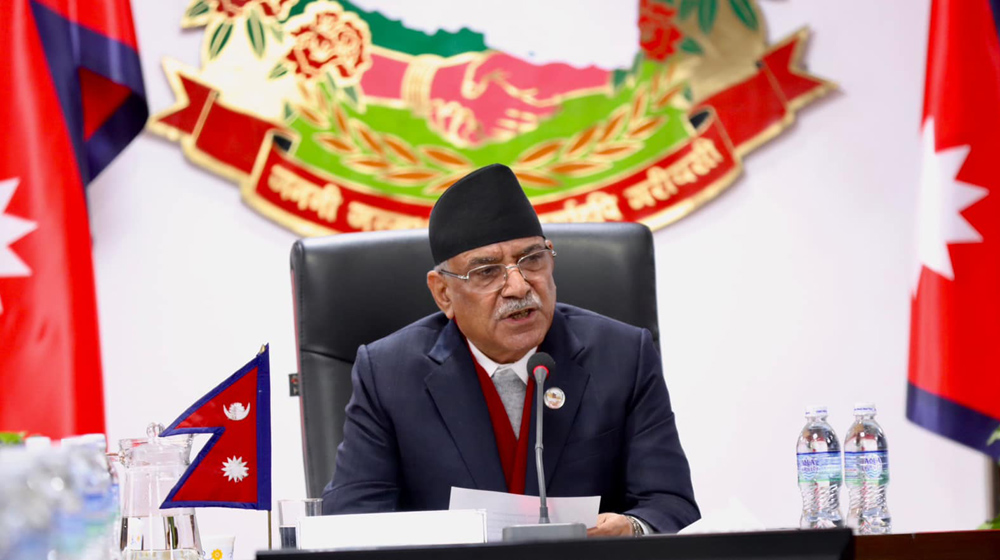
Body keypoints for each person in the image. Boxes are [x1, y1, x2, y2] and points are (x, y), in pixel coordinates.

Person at [323, 163, 699, 536]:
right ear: (443, 294)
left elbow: (671, 504)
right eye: (487, 271)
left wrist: (633, 529)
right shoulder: (388, 374)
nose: (519, 287)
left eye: (532, 260)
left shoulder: (622, 355)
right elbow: (351, 522)